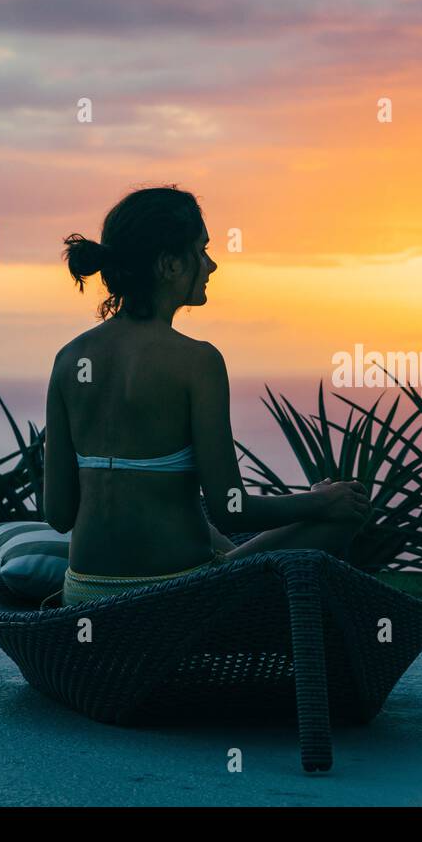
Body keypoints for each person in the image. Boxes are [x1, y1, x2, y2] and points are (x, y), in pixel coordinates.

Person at [44, 185, 370, 606]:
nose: (212, 265)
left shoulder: (68, 359)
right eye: (202, 251)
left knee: (208, 530)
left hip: (85, 593)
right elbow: (231, 507)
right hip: (176, 599)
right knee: (347, 512)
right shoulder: (197, 362)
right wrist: (320, 500)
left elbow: (58, 515)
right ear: (169, 265)